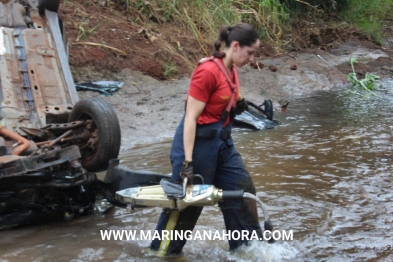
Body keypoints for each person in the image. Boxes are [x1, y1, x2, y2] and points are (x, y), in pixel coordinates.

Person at [150, 23, 263, 255]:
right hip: (197, 147)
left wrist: (239, 100)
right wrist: (187, 164)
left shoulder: (231, 69)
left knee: (242, 192)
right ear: (236, 45)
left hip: (223, 145)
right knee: (188, 205)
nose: (252, 59)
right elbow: (190, 118)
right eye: (250, 53)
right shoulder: (207, 71)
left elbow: (228, 90)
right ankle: (160, 254)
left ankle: (248, 252)